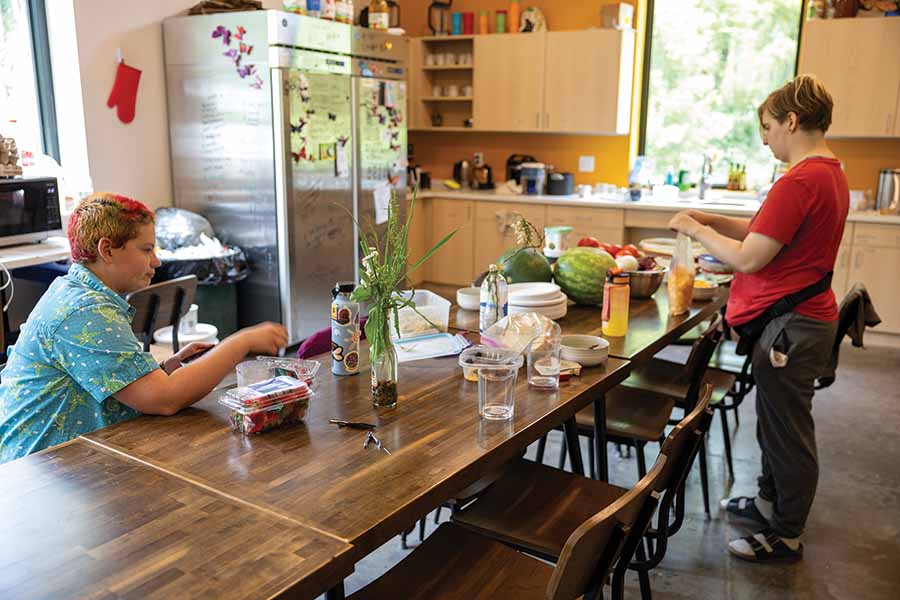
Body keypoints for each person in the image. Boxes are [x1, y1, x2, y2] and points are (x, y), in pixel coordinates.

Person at [668, 74, 848, 562]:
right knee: (774, 425)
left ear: (791, 120)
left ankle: (786, 534)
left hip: (793, 328)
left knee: (787, 434)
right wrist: (713, 221)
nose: (765, 139)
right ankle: (770, 503)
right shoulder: (827, 172)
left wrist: (693, 230)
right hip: (801, 322)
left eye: (767, 127)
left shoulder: (801, 179)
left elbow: (749, 258)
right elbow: (766, 232)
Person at [0, 193, 288, 463]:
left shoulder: (78, 292)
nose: (156, 261)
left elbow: (110, 380)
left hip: (66, 460)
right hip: (37, 469)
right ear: (107, 250)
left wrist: (165, 369)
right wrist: (242, 342)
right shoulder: (85, 310)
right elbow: (165, 399)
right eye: (147, 249)